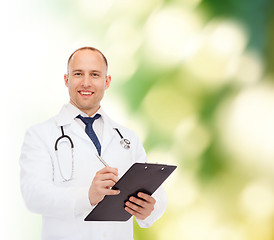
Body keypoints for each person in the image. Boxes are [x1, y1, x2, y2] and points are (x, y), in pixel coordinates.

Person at [19, 46, 167, 240]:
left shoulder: (127, 137)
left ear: (107, 82)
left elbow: (156, 191)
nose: (86, 83)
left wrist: (151, 208)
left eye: (95, 75)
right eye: (78, 74)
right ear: (67, 80)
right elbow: (34, 196)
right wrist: (87, 196)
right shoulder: (40, 135)